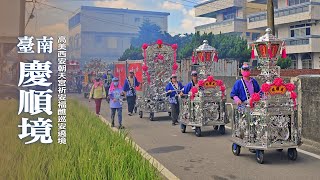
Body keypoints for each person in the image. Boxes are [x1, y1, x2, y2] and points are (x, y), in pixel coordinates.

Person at [230, 63, 260, 153]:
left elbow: (259, 92)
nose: (246, 71)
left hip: (254, 106)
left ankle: (254, 141)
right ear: (241, 71)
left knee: (257, 124)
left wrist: (258, 97)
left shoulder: (254, 81)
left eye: (248, 69)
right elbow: (233, 94)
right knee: (242, 127)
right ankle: (236, 144)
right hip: (243, 107)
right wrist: (237, 99)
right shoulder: (238, 83)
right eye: (244, 69)